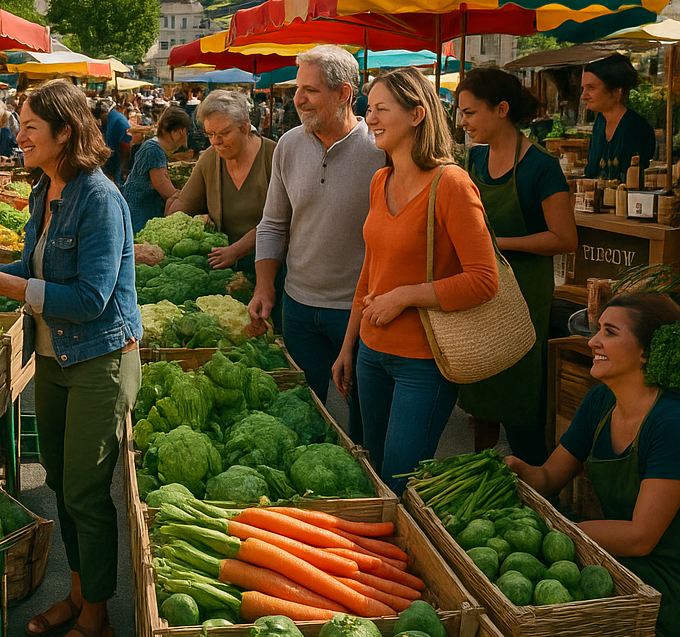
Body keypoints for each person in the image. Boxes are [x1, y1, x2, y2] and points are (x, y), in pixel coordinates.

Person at [0, 79, 141, 637]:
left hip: (98, 360)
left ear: (65, 132)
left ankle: (98, 620)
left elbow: (90, 297)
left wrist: (7, 286)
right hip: (54, 358)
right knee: (60, 482)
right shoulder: (44, 189)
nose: (20, 135)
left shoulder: (99, 199)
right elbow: (35, 264)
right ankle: (80, 595)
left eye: (31, 127)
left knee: (87, 492)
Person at [333, 66, 499, 492]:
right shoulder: (380, 180)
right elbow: (370, 272)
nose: (370, 118)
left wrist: (406, 296)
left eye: (381, 109)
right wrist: (349, 346)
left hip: (424, 363)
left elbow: (484, 280)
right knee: (372, 470)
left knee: (399, 479)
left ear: (416, 115)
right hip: (371, 353)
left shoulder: (452, 184)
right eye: (369, 108)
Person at [507, 293, 680, 637]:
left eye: (610, 332)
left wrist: (562, 533)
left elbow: (640, 537)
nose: (592, 341)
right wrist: (514, 468)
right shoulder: (600, 400)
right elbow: (548, 478)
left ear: (647, 351)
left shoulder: (670, 423)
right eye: (598, 329)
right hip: (610, 555)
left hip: (663, 579)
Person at [248, 47, 385, 423]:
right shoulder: (288, 145)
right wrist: (264, 287)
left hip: (360, 311)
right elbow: (273, 223)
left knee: (363, 421)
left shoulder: (380, 149)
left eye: (310, 90)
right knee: (301, 416)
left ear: (344, 93)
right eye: (298, 89)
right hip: (298, 308)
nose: (298, 99)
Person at [456, 68, 578, 463]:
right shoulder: (473, 160)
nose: (463, 122)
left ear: (501, 109)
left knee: (522, 408)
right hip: (480, 295)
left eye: (470, 113)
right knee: (481, 401)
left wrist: (496, 244)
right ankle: (481, 471)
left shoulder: (541, 167)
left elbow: (565, 238)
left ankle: (538, 483)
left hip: (525, 300)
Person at [167, 89, 275, 277]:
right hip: (224, 271)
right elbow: (185, 203)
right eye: (210, 134)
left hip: (271, 268)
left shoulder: (275, 156)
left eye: (224, 133)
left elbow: (281, 221)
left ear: (244, 127)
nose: (216, 142)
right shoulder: (210, 158)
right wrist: (167, 226)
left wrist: (236, 251)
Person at [582, 53, 656, 181]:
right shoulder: (600, 122)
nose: (583, 96)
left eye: (591, 88)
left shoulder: (637, 128)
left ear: (617, 92)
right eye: (583, 89)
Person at [123, 106, 192, 233]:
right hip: (140, 216)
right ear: (179, 132)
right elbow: (167, 191)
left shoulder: (152, 147)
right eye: (185, 131)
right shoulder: (153, 151)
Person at [96, 98, 132, 185]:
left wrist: (123, 166)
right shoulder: (113, 119)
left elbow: (125, 145)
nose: (101, 118)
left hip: (120, 157)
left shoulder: (116, 121)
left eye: (101, 114)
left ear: (105, 112)